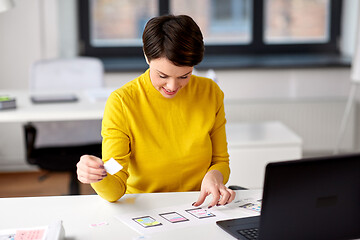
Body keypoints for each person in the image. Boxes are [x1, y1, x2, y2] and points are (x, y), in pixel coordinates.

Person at [76, 14, 236, 208]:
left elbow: (220, 161)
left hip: (199, 206)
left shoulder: (210, 92)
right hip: (145, 209)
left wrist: (214, 176)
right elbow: (115, 188)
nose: (172, 86)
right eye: (163, 75)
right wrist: (97, 176)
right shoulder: (122, 103)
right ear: (146, 55)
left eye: (184, 76)